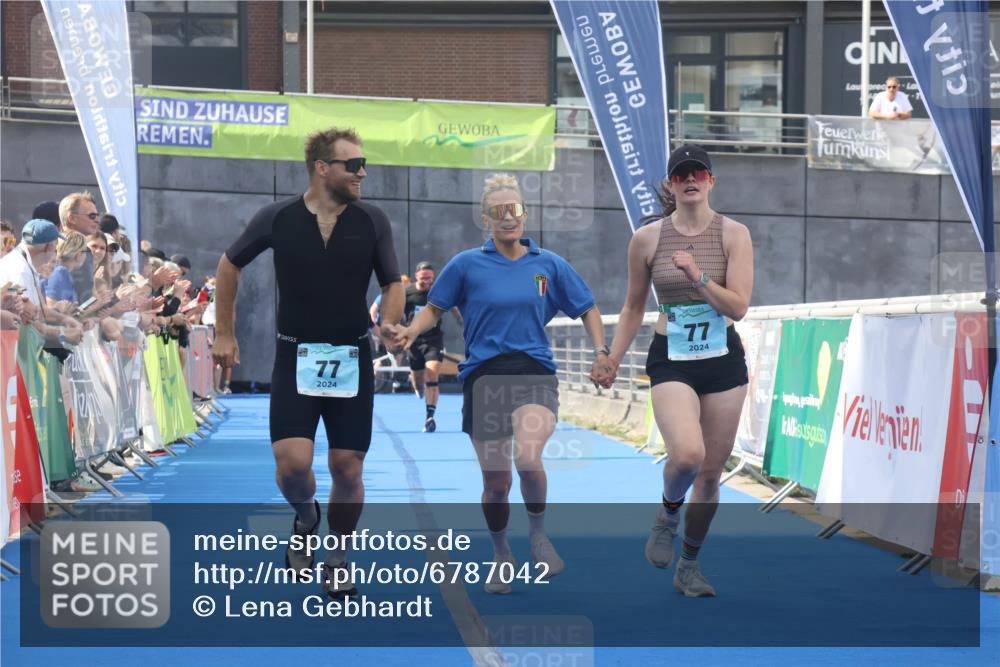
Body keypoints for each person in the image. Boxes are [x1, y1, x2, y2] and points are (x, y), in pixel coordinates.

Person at [393, 173, 610, 594]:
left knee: (528, 459)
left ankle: (539, 536)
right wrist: (410, 332)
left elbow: (588, 307)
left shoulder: (548, 264)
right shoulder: (465, 264)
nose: (508, 218)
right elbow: (434, 310)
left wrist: (602, 352)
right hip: (485, 377)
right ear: (486, 218)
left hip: (534, 372)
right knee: (496, 484)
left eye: (515, 210)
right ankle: (500, 554)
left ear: (525, 214)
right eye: (499, 212)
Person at [213, 127, 403, 600]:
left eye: (364, 164)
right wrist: (224, 331)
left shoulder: (372, 220)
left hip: (351, 355)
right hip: (296, 353)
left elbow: (392, 282)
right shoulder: (277, 218)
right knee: (293, 464)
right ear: (322, 168)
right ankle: (305, 517)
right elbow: (228, 265)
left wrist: (392, 323)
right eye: (352, 165)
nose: (363, 172)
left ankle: (337, 558)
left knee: (347, 467)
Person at [600, 145, 753, 598]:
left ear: (711, 181)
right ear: (670, 184)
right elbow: (632, 307)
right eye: (681, 174)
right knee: (686, 456)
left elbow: (740, 307)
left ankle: (689, 565)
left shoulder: (734, 234)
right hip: (672, 356)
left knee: (709, 474)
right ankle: (667, 513)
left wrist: (700, 277)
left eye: (699, 173)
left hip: (722, 357)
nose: (690, 180)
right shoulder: (647, 239)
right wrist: (611, 357)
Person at [402, 261, 462, 432]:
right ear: (417, 276)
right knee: (418, 379)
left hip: (433, 340)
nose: (427, 281)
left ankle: (430, 416)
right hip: (414, 341)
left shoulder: (438, 290)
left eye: (430, 277)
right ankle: (417, 387)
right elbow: (398, 312)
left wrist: (461, 320)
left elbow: (453, 306)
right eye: (424, 278)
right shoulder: (408, 293)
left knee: (432, 373)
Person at [58, 192, 101, 302]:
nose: (98, 220)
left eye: (97, 215)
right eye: (92, 216)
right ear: (72, 218)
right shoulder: (52, 249)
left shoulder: (87, 252)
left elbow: (89, 296)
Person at [42, 231, 88, 306]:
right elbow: (52, 309)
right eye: (86, 251)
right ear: (79, 254)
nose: (86, 256)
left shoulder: (63, 272)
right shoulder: (60, 272)